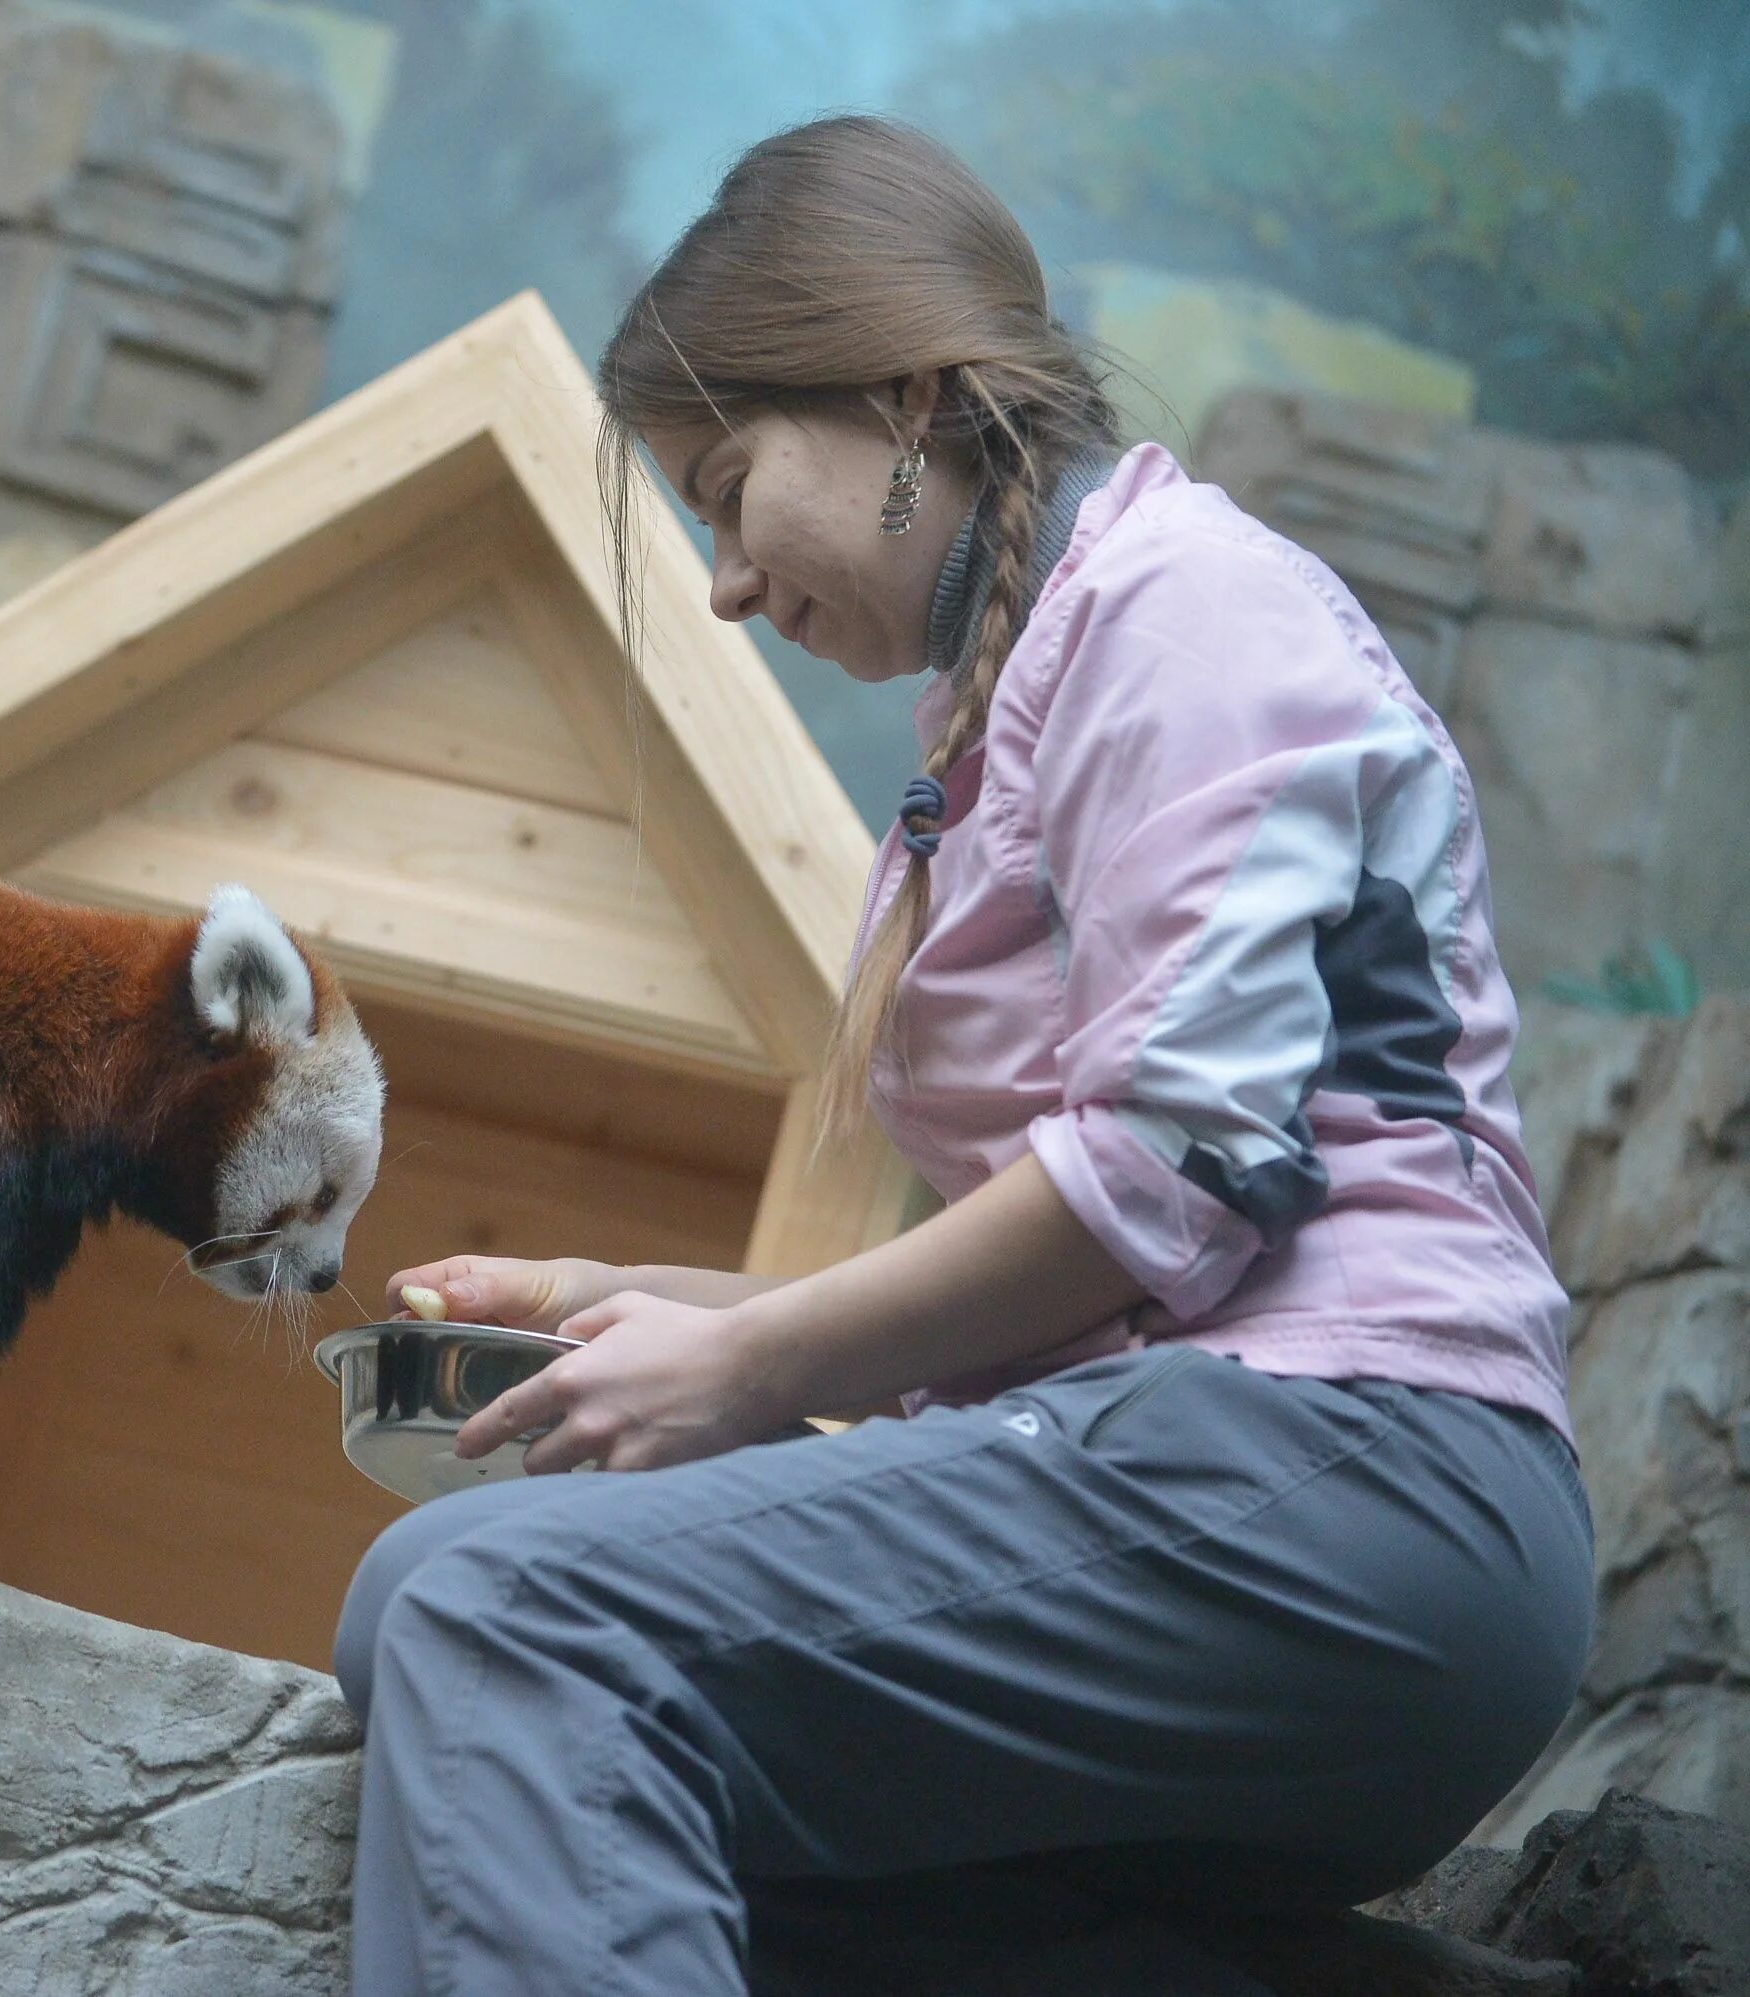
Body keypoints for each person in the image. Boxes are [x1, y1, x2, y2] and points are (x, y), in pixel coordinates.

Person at [337, 115, 1593, 1997]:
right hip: (1210, 1475)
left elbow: (1180, 1172)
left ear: (906, 401)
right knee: (426, 1616)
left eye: (729, 487)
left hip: (1359, 1471)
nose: (727, 586)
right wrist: (632, 1305)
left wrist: (751, 1358)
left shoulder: (1189, 613)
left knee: (519, 1623)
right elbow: (1054, 1261)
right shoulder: (997, 708)